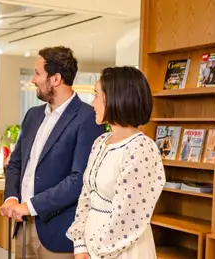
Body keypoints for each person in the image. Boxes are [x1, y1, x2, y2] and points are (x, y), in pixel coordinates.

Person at [1, 46, 104, 259]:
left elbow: (79, 180)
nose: (33, 80)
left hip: (58, 235)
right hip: (23, 227)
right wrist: (11, 197)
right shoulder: (32, 115)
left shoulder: (87, 118)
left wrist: (29, 206)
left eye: (38, 73)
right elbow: (16, 163)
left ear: (55, 79)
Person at [66, 66, 166, 259]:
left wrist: (97, 250)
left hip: (122, 249)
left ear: (115, 98)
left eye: (96, 95)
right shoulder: (100, 142)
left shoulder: (141, 148)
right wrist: (80, 245)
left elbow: (129, 216)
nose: (92, 103)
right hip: (91, 246)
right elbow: (86, 195)